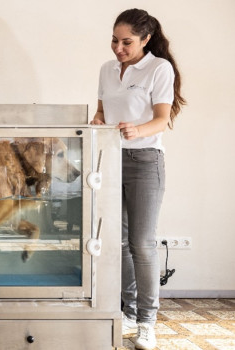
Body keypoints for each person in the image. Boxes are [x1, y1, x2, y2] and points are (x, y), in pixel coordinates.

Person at [90, 8, 186, 350]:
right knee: (119, 242)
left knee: (142, 244)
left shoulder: (159, 69)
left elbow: (161, 119)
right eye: (114, 41)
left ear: (145, 39)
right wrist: (99, 121)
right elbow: (102, 111)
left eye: (127, 42)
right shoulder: (106, 69)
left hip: (146, 161)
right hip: (111, 160)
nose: (118, 48)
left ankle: (148, 321)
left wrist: (136, 129)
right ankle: (128, 312)